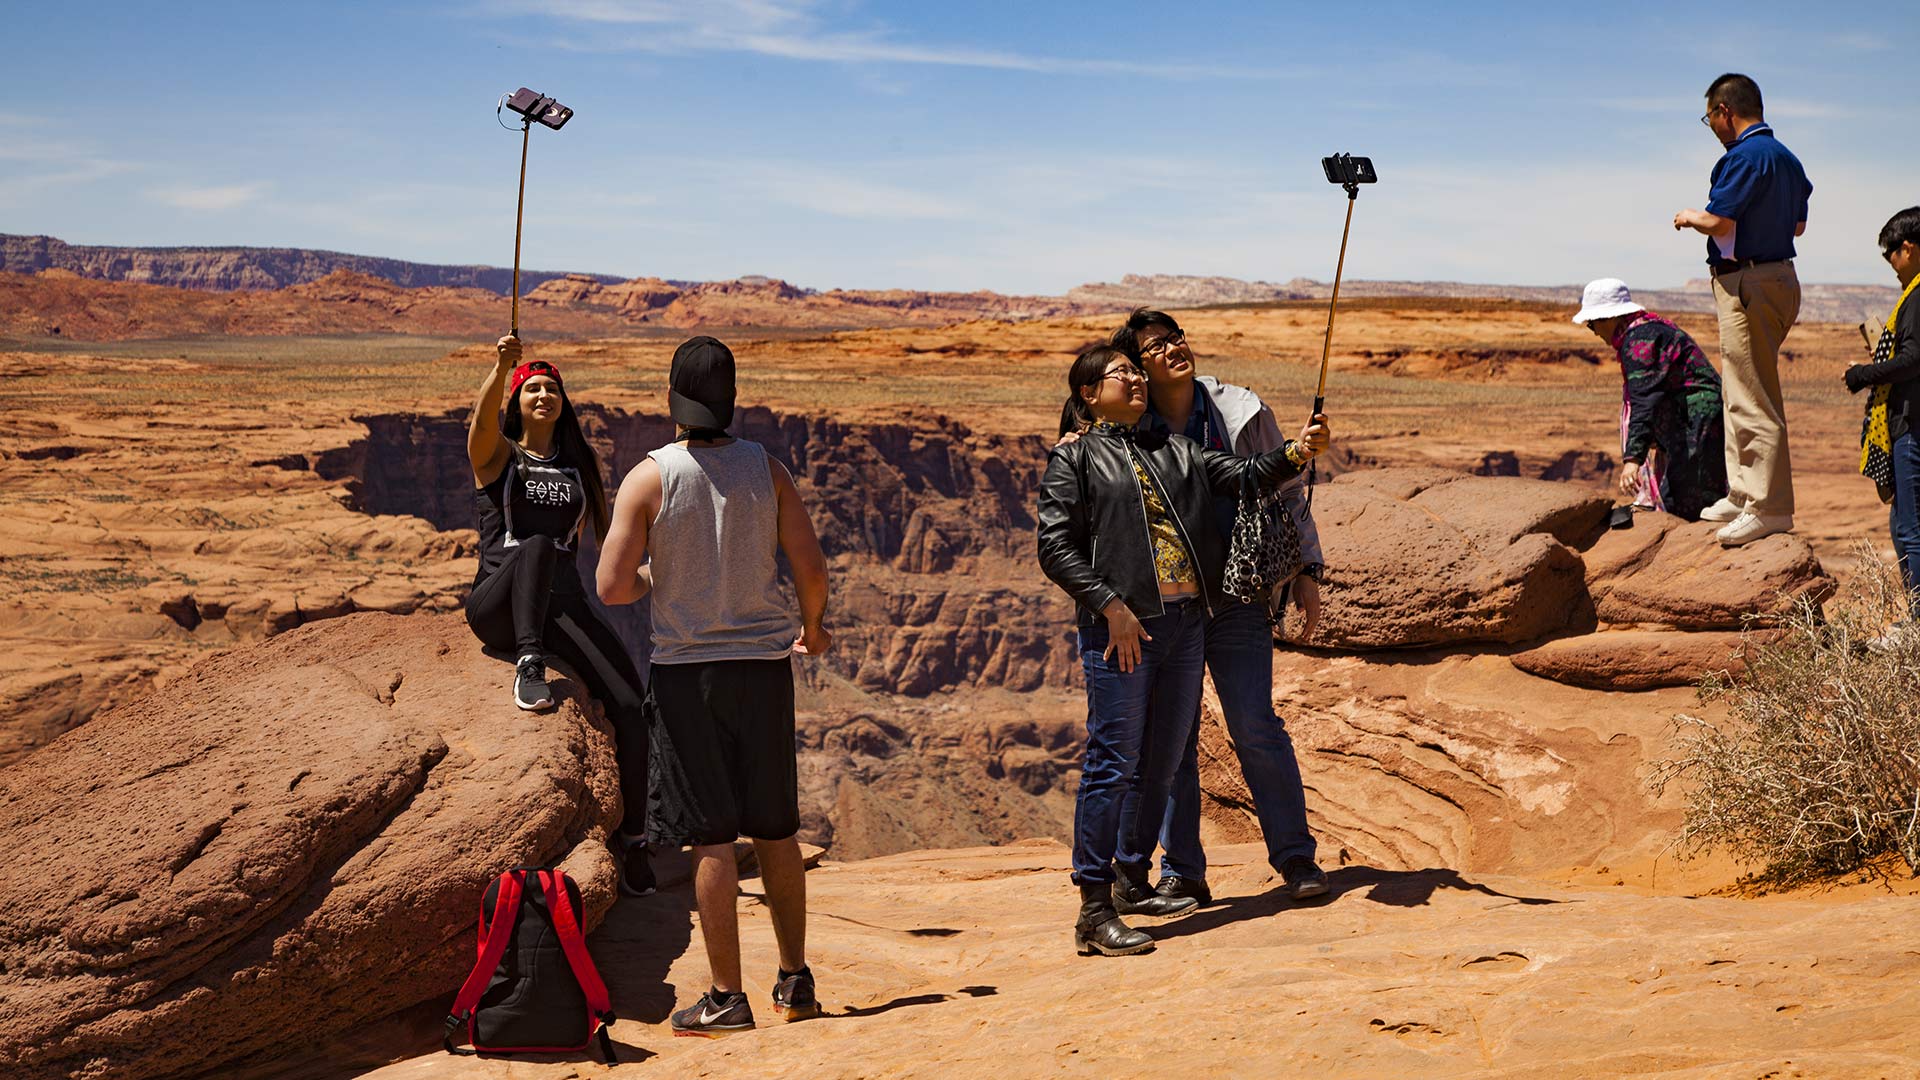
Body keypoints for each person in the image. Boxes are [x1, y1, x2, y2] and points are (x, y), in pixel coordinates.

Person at [1037, 345, 1327, 957]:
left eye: (1135, 373)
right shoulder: (1074, 461)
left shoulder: (1174, 450)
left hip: (1186, 624)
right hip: (1124, 631)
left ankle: (1130, 881)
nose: (1136, 380)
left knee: (1162, 762)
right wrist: (1110, 605)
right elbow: (1055, 547)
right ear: (1089, 393)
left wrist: (1297, 452)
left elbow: (1244, 475)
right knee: (1113, 763)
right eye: (1121, 374)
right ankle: (1092, 909)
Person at [596, 336, 832, 1035]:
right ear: (731, 398)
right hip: (764, 673)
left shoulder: (650, 476)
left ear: (673, 401)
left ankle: (727, 997)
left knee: (712, 841)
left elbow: (611, 586)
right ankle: (796, 981)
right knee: (776, 830)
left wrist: (654, 579)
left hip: (686, 677)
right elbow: (810, 568)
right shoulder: (769, 469)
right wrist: (814, 629)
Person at [1107, 309, 1331, 906]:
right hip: (1169, 602)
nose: (1174, 348)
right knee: (1173, 741)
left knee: (1255, 724)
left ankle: (1296, 858)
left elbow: (1282, 485)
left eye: (1176, 337)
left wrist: (1308, 568)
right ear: (1137, 366)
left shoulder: (1240, 410)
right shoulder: (1129, 423)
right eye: (1156, 346)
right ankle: (1183, 871)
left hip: (1237, 591)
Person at [464, 334, 655, 897]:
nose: (544, 395)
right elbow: (477, 432)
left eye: (552, 388)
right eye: (533, 388)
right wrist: (501, 369)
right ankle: (529, 666)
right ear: (518, 402)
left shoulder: (576, 467)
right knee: (538, 546)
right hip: (499, 604)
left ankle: (636, 840)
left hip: (564, 606)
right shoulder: (499, 458)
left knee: (630, 704)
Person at [1673, 73, 1812, 547]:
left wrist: (1689, 216)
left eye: (1709, 117)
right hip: (1777, 278)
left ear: (1724, 111)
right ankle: (1743, 492)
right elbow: (1797, 226)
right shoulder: (1788, 159)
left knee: (1753, 395)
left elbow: (1719, 220)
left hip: (1749, 282)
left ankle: (1769, 508)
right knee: (1741, 388)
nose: (1711, 126)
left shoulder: (1744, 157)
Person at [1571, 280, 1729, 521]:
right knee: (1687, 492)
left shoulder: (1638, 341)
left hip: (1698, 422)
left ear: (1608, 318)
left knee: (1688, 499)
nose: (1594, 332)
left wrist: (1633, 460)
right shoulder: (1646, 329)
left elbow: (1644, 402)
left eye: (1592, 325)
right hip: (1694, 418)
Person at [1844, 207, 1920, 636]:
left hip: (1912, 428)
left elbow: (1912, 361)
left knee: (1911, 530)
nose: (1890, 264)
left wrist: (1862, 375)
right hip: (1906, 426)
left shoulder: (1918, 297)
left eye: (1890, 253)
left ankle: (1918, 624)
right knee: (1903, 526)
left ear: (1907, 248)